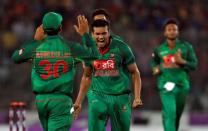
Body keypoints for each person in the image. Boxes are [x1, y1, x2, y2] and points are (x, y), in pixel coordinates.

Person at [11, 12, 97, 131]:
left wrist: (35, 40)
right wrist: (85, 35)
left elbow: (16, 57)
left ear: (43, 29)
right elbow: (94, 55)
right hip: (61, 102)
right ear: (60, 28)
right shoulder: (70, 47)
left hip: (41, 101)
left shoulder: (36, 47)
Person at [73, 19, 142, 131]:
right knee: (96, 110)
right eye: (97, 34)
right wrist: (78, 102)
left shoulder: (122, 48)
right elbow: (86, 77)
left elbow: (135, 72)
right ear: (92, 34)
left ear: (109, 32)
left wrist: (137, 97)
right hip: (98, 96)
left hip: (121, 97)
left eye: (104, 33)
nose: (101, 37)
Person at [151, 18, 197, 131]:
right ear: (165, 32)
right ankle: (167, 116)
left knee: (176, 115)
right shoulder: (159, 49)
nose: (172, 31)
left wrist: (183, 62)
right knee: (171, 113)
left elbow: (194, 65)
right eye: (169, 29)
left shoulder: (186, 47)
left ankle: (166, 118)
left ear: (178, 32)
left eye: (174, 29)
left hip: (182, 85)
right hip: (165, 85)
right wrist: (155, 69)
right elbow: (154, 62)